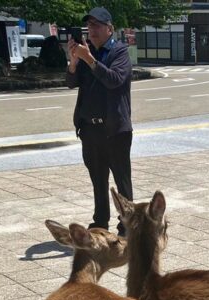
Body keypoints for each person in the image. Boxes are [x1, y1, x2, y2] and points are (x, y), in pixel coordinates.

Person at [66, 7, 133, 234]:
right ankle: (100, 221)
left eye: (97, 25)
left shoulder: (119, 52)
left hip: (114, 130)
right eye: (89, 25)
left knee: (122, 181)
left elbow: (114, 80)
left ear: (110, 29)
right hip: (90, 129)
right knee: (98, 178)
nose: (92, 30)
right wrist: (74, 62)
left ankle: (127, 223)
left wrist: (90, 60)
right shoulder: (86, 53)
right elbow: (71, 82)